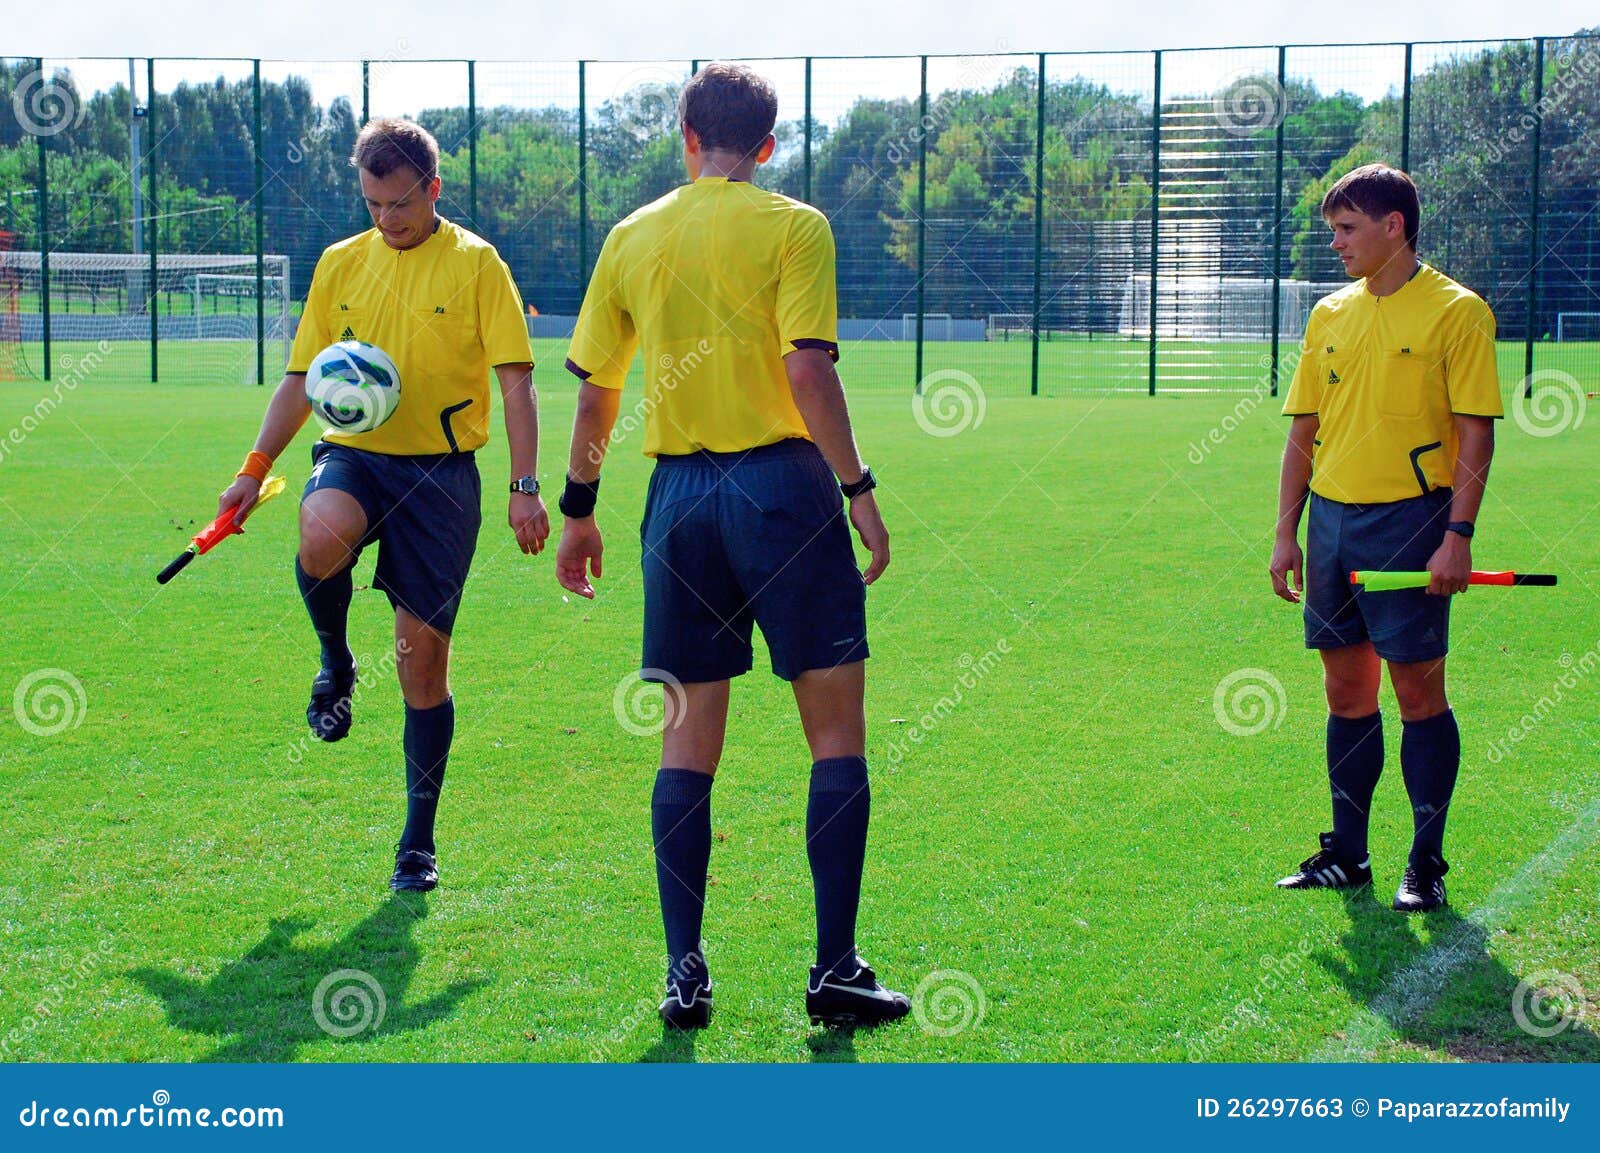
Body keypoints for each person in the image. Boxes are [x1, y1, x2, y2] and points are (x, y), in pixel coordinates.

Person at [556, 63, 907, 1028]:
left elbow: (595, 393)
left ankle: (684, 972)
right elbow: (806, 368)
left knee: (685, 743)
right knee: (834, 734)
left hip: (676, 502)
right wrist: (858, 487)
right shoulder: (796, 226)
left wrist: (578, 507)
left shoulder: (632, 235)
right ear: (769, 142)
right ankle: (833, 969)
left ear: (683, 133)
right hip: (783, 493)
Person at [217, 117, 549, 893]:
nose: (386, 220)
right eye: (371, 204)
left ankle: (417, 842)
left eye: (399, 204)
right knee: (320, 529)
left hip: (441, 477)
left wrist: (525, 487)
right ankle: (334, 661)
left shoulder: (477, 265)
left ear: (432, 189)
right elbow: (302, 378)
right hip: (356, 456)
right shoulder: (339, 264)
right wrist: (252, 466)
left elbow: (517, 382)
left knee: (421, 666)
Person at [1269, 163, 1501, 913]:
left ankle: (1425, 861)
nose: (1335, 243)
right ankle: (1348, 853)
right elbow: (1303, 430)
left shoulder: (1458, 312)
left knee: (1418, 692)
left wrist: (1457, 535)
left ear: (1392, 225)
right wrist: (1287, 531)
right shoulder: (1329, 314)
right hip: (1332, 523)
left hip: (1411, 522)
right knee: (1345, 690)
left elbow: (1475, 434)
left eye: (1346, 229)